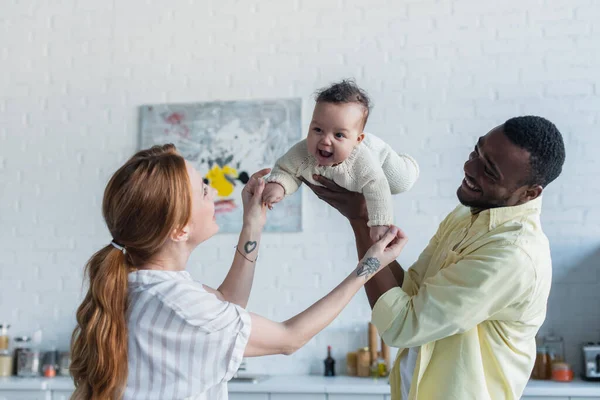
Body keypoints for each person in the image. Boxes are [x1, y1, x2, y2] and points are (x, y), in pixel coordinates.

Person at [69, 144, 407, 400]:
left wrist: (253, 223)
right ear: (179, 230)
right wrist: (369, 265)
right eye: (203, 189)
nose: (214, 192)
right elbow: (290, 338)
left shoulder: (143, 286)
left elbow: (227, 304)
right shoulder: (183, 307)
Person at [303, 116, 566, 400]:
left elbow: (401, 325)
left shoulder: (513, 255)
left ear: (529, 193)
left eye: (489, 171)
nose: (468, 167)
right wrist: (364, 220)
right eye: (476, 152)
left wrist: (360, 219)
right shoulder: (466, 214)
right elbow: (408, 292)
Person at [262, 79, 419, 242]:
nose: (325, 140)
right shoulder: (302, 152)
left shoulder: (362, 160)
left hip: (381, 157)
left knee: (400, 182)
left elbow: (377, 185)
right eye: (318, 130)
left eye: (338, 135)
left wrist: (380, 223)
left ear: (357, 140)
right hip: (355, 172)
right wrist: (279, 186)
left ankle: (409, 164)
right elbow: (286, 169)